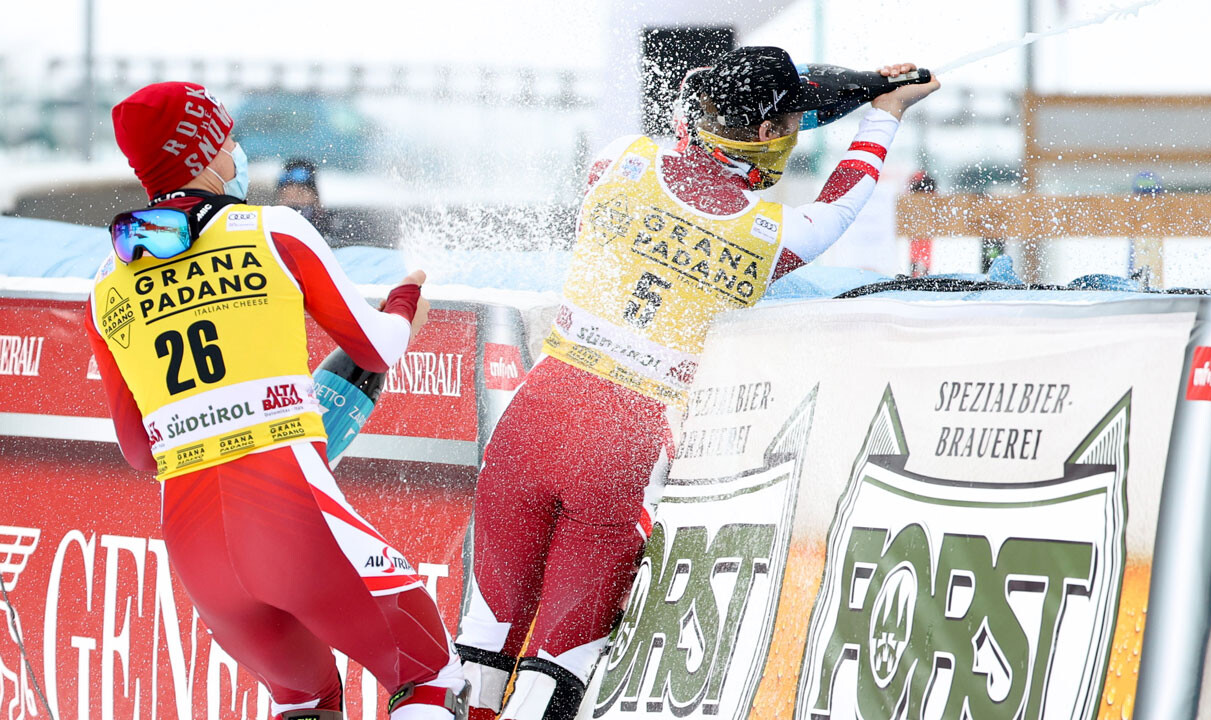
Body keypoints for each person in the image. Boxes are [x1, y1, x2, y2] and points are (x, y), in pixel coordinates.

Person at [455, 46, 938, 719]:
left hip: (532, 419)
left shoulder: (622, 160)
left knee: (479, 649)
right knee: (554, 674)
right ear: (771, 135)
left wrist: (840, 89)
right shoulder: (770, 234)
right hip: (620, 444)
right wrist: (881, 110)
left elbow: (737, 118)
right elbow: (843, 197)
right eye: (792, 122)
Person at [85, 82, 468, 720]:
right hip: (291, 517)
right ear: (205, 155)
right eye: (228, 141)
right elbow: (375, 348)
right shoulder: (273, 229)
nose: (237, 153)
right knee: (429, 675)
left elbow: (140, 452)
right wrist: (406, 299)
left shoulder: (105, 286)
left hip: (197, 549)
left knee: (308, 701)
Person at [276, 158, 333, 238]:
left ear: (316, 197)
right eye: (286, 197)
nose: (296, 201)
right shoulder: (269, 222)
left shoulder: (330, 224)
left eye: (301, 194)